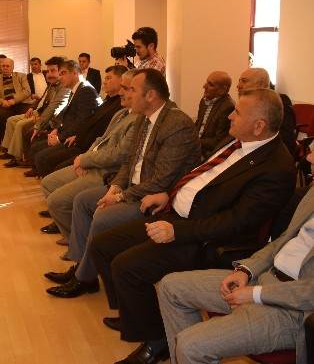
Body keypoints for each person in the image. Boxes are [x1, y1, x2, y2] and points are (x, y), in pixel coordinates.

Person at [88, 88, 296, 364]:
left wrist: (177, 231)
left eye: (237, 112)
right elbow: (202, 175)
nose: (230, 116)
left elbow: (235, 223)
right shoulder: (237, 139)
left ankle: (156, 341)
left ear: (259, 126)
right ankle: (138, 313)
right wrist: (169, 195)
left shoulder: (277, 168)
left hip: (204, 238)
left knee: (126, 267)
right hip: (177, 215)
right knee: (103, 245)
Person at [44, 68, 200, 298]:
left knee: (102, 215)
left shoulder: (177, 123)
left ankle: (84, 278)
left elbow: (162, 180)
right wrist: (116, 187)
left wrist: (120, 197)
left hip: (153, 197)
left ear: (150, 95)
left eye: (132, 89)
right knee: (82, 201)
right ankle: (81, 268)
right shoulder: (143, 118)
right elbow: (129, 162)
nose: (124, 94)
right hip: (132, 188)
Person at [157, 157, 312, 364]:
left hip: (295, 311)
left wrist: (256, 295)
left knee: (190, 345)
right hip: (266, 278)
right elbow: (282, 241)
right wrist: (246, 270)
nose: (309, 156)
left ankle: (194, 352)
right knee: (170, 287)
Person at [39, 69, 137, 238]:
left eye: (126, 88)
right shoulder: (121, 112)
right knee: (48, 182)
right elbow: (101, 139)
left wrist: (86, 159)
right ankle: (70, 227)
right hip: (91, 160)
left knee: (56, 200)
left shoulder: (137, 119)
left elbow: (119, 155)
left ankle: (77, 238)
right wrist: (84, 158)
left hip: (106, 171)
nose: (121, 92)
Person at [28, 65, 126, 178]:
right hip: (79, 139)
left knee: (46, 159)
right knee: (39, 150)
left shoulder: (89, 92)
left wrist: (62, 137)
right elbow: (87, 121)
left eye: (108, 78)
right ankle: (45, 179)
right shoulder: (108, 100)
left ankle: (49, 182)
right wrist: (61, 131)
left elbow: (88, 124)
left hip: (90, 147)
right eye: (105, 78)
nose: (104, 82)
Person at [24, 60, 99, 178]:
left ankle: (50, 183)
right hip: (67, 133)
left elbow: (82, 122)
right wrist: (57, 130)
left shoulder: (86, 90)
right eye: (59, 74)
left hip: (78, 140)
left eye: (63, 73)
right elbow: (69, 118)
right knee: (36, 146)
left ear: (75, 73)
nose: (60, 77)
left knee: (41, 156)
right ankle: (44, 177)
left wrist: (59, 138)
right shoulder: (75, 89)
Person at [0, 56, 70, 166]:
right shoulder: (51, 84)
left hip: (46, 117)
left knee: (20, 124)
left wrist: (38, 120)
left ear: (61, 72)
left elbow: (53, 108)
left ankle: (17, 157)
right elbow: (42, 99)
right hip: (39, 111)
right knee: (11, 120)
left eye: (53, 71)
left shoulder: (64, 87)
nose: (49, 74)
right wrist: (32, 108)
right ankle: (9, 150)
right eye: (48, 71)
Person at [237, 67, 297, 157]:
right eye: (239, 81)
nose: (238, 85)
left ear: (261, 84)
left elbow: (286, 139)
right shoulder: (247, 103)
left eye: (244, 81)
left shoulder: (280, 102)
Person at [194, 71, 235, 159]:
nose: (204, 86)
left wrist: (194, 141)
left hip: (208, 153)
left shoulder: (228, 107)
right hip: (196, 146)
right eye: (206, 82)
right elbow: (198, 123)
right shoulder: (204, 100)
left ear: (222, 90)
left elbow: (218, 141)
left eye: (210, 84)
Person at [0, 57, 33, 144]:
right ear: (0, 67)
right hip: (6, 105)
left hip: (22, 103)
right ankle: (6, 143)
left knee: (26, 115)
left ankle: (24, 142)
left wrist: (14, 100)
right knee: (0, 115)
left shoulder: (21, 76)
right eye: (3, 66)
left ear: (13, 67)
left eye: (7, 66)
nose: (5, 68)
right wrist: (2, 102)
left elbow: (27, 91)